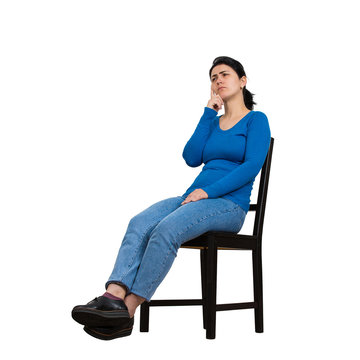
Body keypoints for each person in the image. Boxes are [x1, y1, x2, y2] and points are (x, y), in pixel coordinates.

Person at [71, 56, 271, 340]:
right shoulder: (213, 122)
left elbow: (252, 166)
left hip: (228, 206)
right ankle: (113, 296)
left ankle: (126, 311)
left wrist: (209, 192)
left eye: (224, 74)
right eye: (213, 78)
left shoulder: (256, 120)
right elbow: (191, 157)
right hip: (194, 199)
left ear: (242, 80)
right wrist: (207, 114)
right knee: (139, 222)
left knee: (167, 229)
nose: (218, 81)